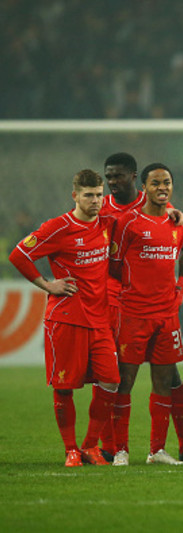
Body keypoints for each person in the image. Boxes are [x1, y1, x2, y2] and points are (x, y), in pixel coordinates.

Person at [102, 153, 183, 465]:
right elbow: (115, 266)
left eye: (167, 183)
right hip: (134, 314)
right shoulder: (128, 223)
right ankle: (120, 449)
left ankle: (157, 450)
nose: (162, 187)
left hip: (167, 316)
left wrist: (180, 287)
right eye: (156, 183)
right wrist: (134, 293)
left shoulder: (177, 224)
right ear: (144, 187)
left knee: (164, 381)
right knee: (125, 381)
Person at [9, 169, 119, 467]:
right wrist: (48, 285)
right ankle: (71, 449)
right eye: (88, 196)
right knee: (65, 385)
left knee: (110, 381)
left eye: (98, 195)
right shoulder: (58, 227)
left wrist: (173, 212)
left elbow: (135, 205)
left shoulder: (106, 220)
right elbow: (19, 254)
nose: (95, 201)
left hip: (100, 320)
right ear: (75, 196)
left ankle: (90, 446)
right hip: (67, 318)